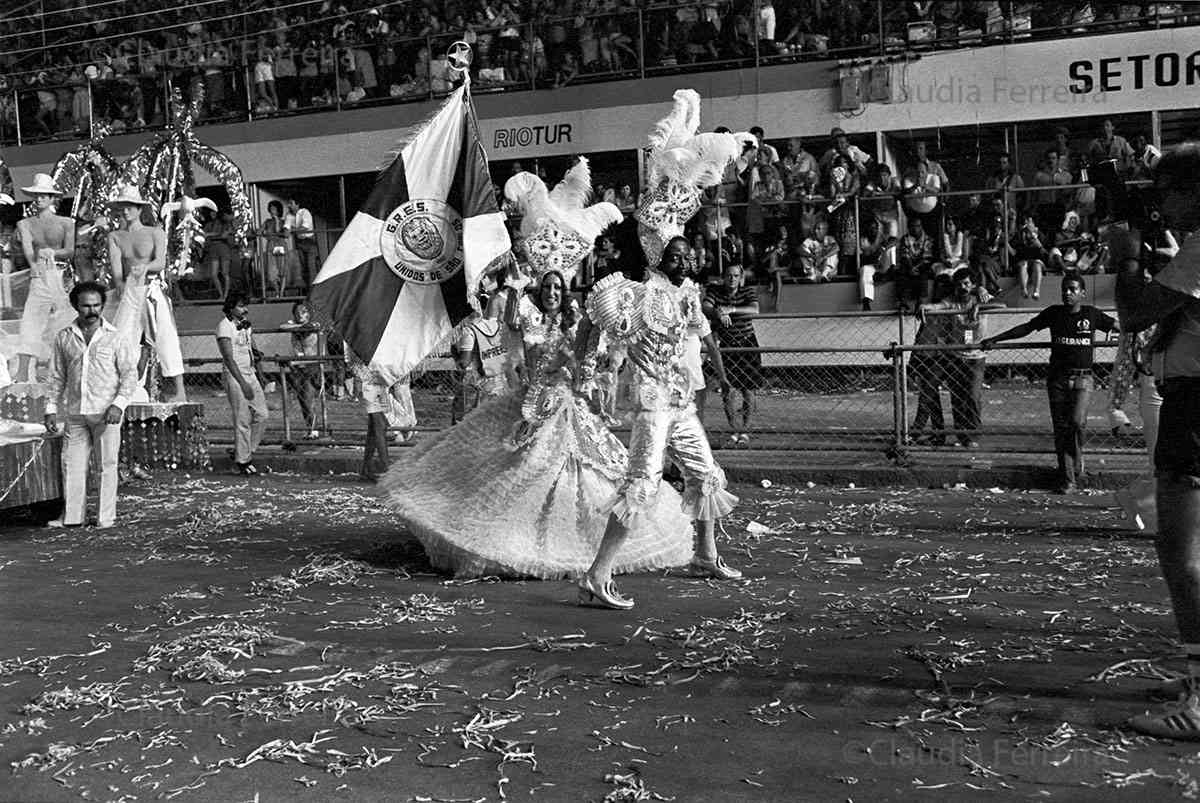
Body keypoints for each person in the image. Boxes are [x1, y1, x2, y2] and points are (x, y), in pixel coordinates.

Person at [379, 159, 693, 580]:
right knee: (511, 474)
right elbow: (508, 326)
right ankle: (495, 543)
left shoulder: (581, 320)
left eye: (556, 287)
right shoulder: (525, 314)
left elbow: (595, 356)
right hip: (528, 405)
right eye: (545, 286)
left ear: (564, 291)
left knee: (580, 477)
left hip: (571, 409)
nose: (550, 291)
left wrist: (596, 375)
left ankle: (572, 548)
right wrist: (511, 287)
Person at [579, 236, 738, 610]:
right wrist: (585, 367)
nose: (684, 262)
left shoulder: (688, 295)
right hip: (652, 408)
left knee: (705, 474)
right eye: (675, 256)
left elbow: (706, 335)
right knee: (640, 489)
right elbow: (591, 318)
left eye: (688, 256)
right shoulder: (636, 294)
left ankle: (704, 555)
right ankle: (596, 575)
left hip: (679, 402)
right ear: (657, 258)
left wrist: (722, 374)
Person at [1107, 142, 1200, 738]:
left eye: (1169, 191)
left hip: (1196, 405)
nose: (1162, 204)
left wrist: (1127, 258)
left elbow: (1137, 311)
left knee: (1182, 551)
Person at [983, 274, 1118, 492]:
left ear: (1083, 293)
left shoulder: (1092, 314)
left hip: (1083, 378)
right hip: (1058, 379)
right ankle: (1068, 479)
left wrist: (1134, 337)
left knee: (1076, 423)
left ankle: (1076, 458)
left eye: (1073, 289)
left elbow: (1119, 327)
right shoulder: (1054, 313)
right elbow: (1026, 328)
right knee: (1062, 429)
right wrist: (995, 339)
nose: (1068, 293)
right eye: (1065, 289)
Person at [43, 281, 138, 529]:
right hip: (75, 412)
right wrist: (50, 408)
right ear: (76, 306)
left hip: (107, 413)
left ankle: (105, 518)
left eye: (96, 305)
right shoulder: (64, 337)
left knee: (107, 465)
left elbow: (129, 375)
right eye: (86, 306)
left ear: (103, 306)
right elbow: (56, 375)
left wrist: (118, 405)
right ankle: (73, 517)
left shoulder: (116, 337)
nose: (92, 310)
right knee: (72, 466)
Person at [107, 185, 186, 403]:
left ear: (139, 209)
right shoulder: (115, 236)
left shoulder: (155, 232)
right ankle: (126, 388)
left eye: (130, 207)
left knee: (165, 336)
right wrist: (122, 286)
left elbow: (160, 262)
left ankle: (179, 389)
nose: (125, 211)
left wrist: (145, 268)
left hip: (151, 289)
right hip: (129, 291)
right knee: (122, 338)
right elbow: (116, 269)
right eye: (122, 207)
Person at [919, 268, 1000, 448]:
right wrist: (925, 307)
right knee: (957, 397)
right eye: (959, 284)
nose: (963, 287)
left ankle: (973, 435)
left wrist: (980, 304)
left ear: (973, 285)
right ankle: (961, 436)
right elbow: (938, 306)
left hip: (976, 356)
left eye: (966, 283)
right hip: (955, 356)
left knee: (972, 395)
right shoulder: (952, 301)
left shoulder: (979, 297)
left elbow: (1001, 305)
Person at [15, 173, 76, 383]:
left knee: (65, 320)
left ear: (52, 198)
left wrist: (52, 252)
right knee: (31, 320)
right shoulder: (25, 224)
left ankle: (65, 370)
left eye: (44, 195)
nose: (40, 199)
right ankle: (22, 373)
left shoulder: (67, 222)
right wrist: (34, 266)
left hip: (61, 274)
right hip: (40, 274)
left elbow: (69, 250)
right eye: (37, 195)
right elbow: (28, 248)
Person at [705, 263, 760, 445]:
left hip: (747, 343)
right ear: (723, 277)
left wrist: (731, 310)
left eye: (736, 276)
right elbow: (705, 307)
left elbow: (755, 309)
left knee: (748, 389)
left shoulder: (748, 292)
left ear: (740, 277)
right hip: (727, 345)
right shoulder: (715, 291)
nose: (732, 279)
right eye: (729, 275)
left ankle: (744, 431)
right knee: (728, 389)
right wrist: (718, 312)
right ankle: (734, 430)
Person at [216, 292, 267, 475]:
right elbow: (228, 358)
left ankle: (244, 451)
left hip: (250, 373)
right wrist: (242, 383)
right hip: (235, 375)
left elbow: (251, 349)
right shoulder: (224, 327)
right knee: (242, 419)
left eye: (246, 305)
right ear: (231, 308)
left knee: (262, 415)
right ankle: (243, 461)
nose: (245, 309)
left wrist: (259, 371)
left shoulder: (245, 325)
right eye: (240, 306)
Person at [279, 300, 321, 439]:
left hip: (311, 364)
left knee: (308, 397)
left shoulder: (314, 324)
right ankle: (309, 427)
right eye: (297, 312)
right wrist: (297, 327)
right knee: (302, 399)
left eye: (303, 312)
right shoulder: (293, 324)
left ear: (309, 313)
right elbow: (282, 326)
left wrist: (299, 327)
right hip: (297, 366)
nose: (300, 315)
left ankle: (314, 429)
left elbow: (310, 327)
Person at [285, 196, 318, 292]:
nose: (289, 205)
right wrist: (286, 230)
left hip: (309, 241)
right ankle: (308, 290)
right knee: (303, 268)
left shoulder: (305, 212)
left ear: (297, 204)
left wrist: (292, 230)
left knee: (311, 267)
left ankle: (314, 291)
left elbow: (305, 227)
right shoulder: (289, 215)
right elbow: (286, 226)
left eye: (291, 203)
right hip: (299, 242)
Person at [260, 200, 288, 296]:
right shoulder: (267, 222)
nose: (272, 211)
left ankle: (281, 292)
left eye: (274, 209)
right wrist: (263, 233)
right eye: (271, 209)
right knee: (271, 273)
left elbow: (279, 231)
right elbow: (259, 231)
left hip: (280, 244)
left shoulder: (284, 221)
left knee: (282, 270)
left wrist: (276, 221)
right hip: (271, 245)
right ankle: (277, 291)